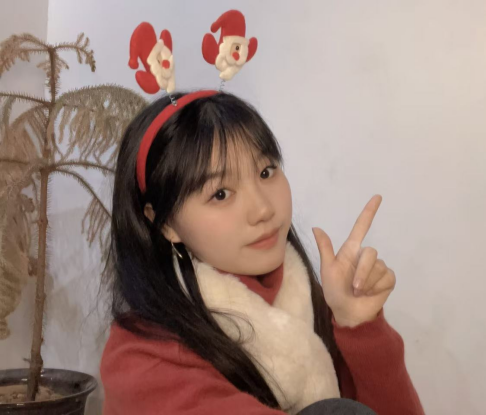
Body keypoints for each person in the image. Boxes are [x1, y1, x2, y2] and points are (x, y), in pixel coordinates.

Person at [100, 91, 425, 415]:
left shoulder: (311, 302)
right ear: (165, 223)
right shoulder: (143, 357)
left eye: (266, 172)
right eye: (220, 194)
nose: (263, 209)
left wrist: (361, 327)